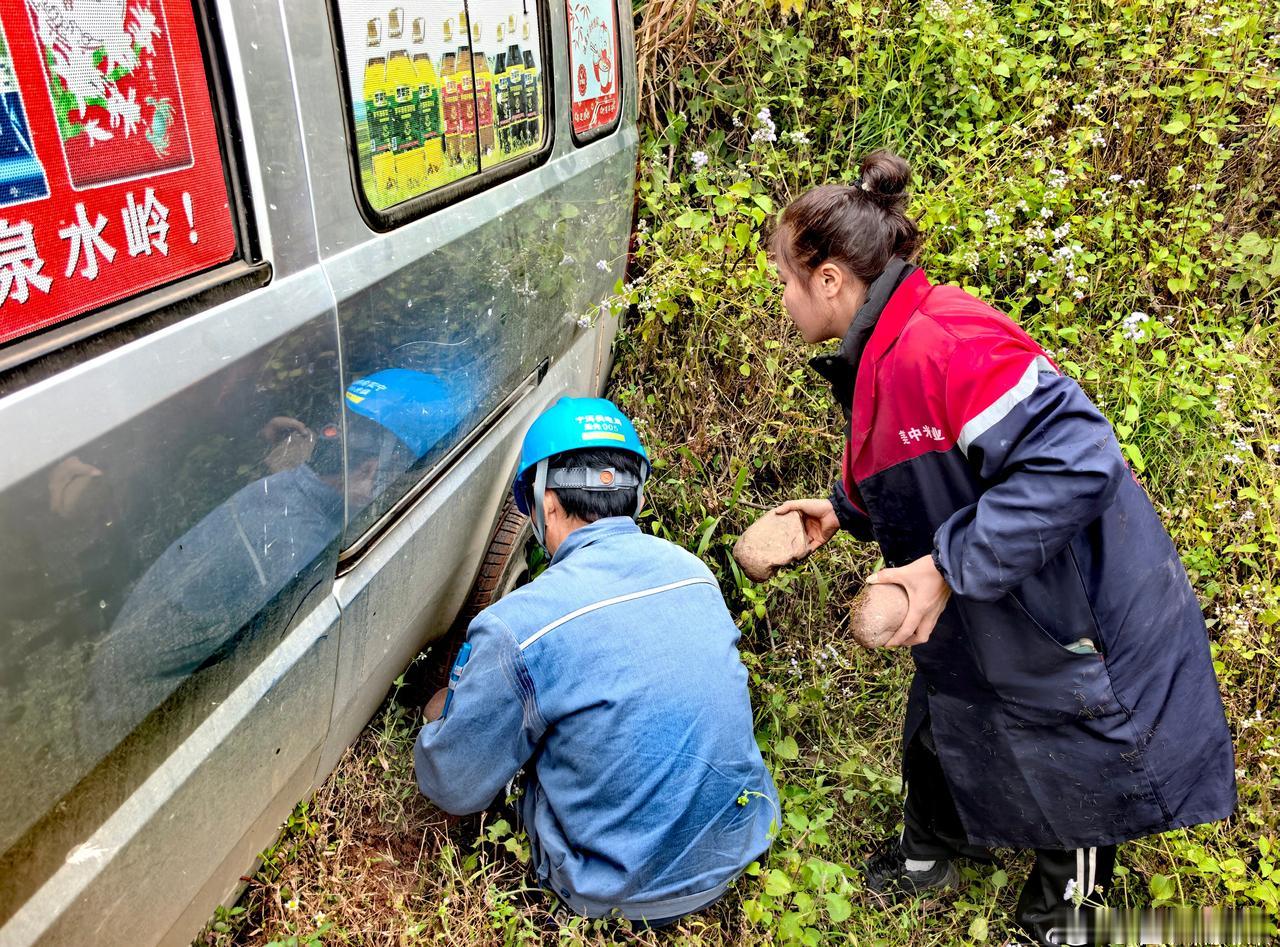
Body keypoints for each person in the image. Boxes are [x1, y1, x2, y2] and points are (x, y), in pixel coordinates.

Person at [767, 150, 1235, 944]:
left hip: (1068, 596)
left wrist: (948, 566)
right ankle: (932, 855)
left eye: (784, 278)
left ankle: (1069, 917)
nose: (780, 299)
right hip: (997, 590)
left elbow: (1079, 459)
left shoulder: (942, 337)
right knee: (943, 716)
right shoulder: (882, 347)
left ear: (831, 279)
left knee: (1079, 753)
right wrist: (843, 510)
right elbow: (933, 461)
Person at [414, 396, 778, 926]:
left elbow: (452, 785)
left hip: (616, 893)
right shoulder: (694, 572)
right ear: (636, 492)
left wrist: (439, 717)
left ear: (546, 502)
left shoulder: (522, 624)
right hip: (737, 848)